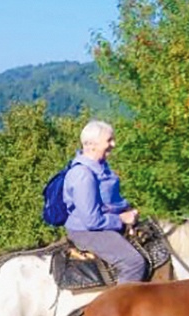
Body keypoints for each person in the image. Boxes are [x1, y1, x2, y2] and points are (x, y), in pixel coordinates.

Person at [62, 120, 148, 284]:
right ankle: (122, 307)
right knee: (133, 262)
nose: (113, 144)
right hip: (86, 231)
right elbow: (91, 220)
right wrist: (122, 219)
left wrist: (127, 210)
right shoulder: (83, 175)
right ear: (92, 145)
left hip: (103, 224)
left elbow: (109, 201)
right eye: (109, 140)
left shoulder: (101, 166)